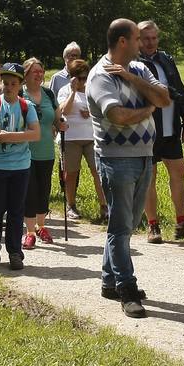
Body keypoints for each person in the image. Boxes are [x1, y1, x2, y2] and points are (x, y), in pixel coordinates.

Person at [87, 18, 171, 318]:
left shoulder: (139, 69)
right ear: (123, 42)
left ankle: (109, 281)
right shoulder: (99, 76)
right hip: (115, 158)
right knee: (121, 226)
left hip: (144, 156)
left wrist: (134, 79)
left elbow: (164, 98)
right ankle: (126, 287)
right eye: (137, 39)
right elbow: (119, 116)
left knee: (126, 224)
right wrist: (148, 108)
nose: (142, 43)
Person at [136, 20, 184, 244]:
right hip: (146, 130)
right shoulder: (133, 64)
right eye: (146, 38)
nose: (150, 42)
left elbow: (179, 90)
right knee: (150, 176)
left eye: (154, 38)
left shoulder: (166, 59)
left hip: (170, 129)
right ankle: (153, 225)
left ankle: (181, 222)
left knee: (179, 171)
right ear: (137, 40)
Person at [0, 62, 40, 269]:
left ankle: (15, 252)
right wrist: (16, 136)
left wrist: (8, 136)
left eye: (13, 83)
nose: (8, 87)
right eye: (5, 83)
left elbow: (36, 134)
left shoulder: (27, 106)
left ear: (20, 84)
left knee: (16, 211)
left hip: (20, 167)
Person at [21, 58, 62, 248]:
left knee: (44, 190)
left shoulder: (48, 93)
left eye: (41, 71)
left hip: (46, 150)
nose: (39, 75)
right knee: (30, 191)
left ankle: (41, 226)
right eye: (34, 71)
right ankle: (29, 232)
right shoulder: (20, 94)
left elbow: (57, 118)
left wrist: (62, 124)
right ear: (26, 74)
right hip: (25, 151)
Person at [58, 57, 106, 221]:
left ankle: (105, 206)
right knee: (71, 174)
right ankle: (71, 205)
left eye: (86, 77)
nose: (83, 81)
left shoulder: (92, 89)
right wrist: (73, 91)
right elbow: (64, 111)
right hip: (71, 138)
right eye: (80, 78)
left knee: (98, 172)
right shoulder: (64, 90)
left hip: (92, 137)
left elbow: (102, 111)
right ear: (72, 77)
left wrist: (90, 113)